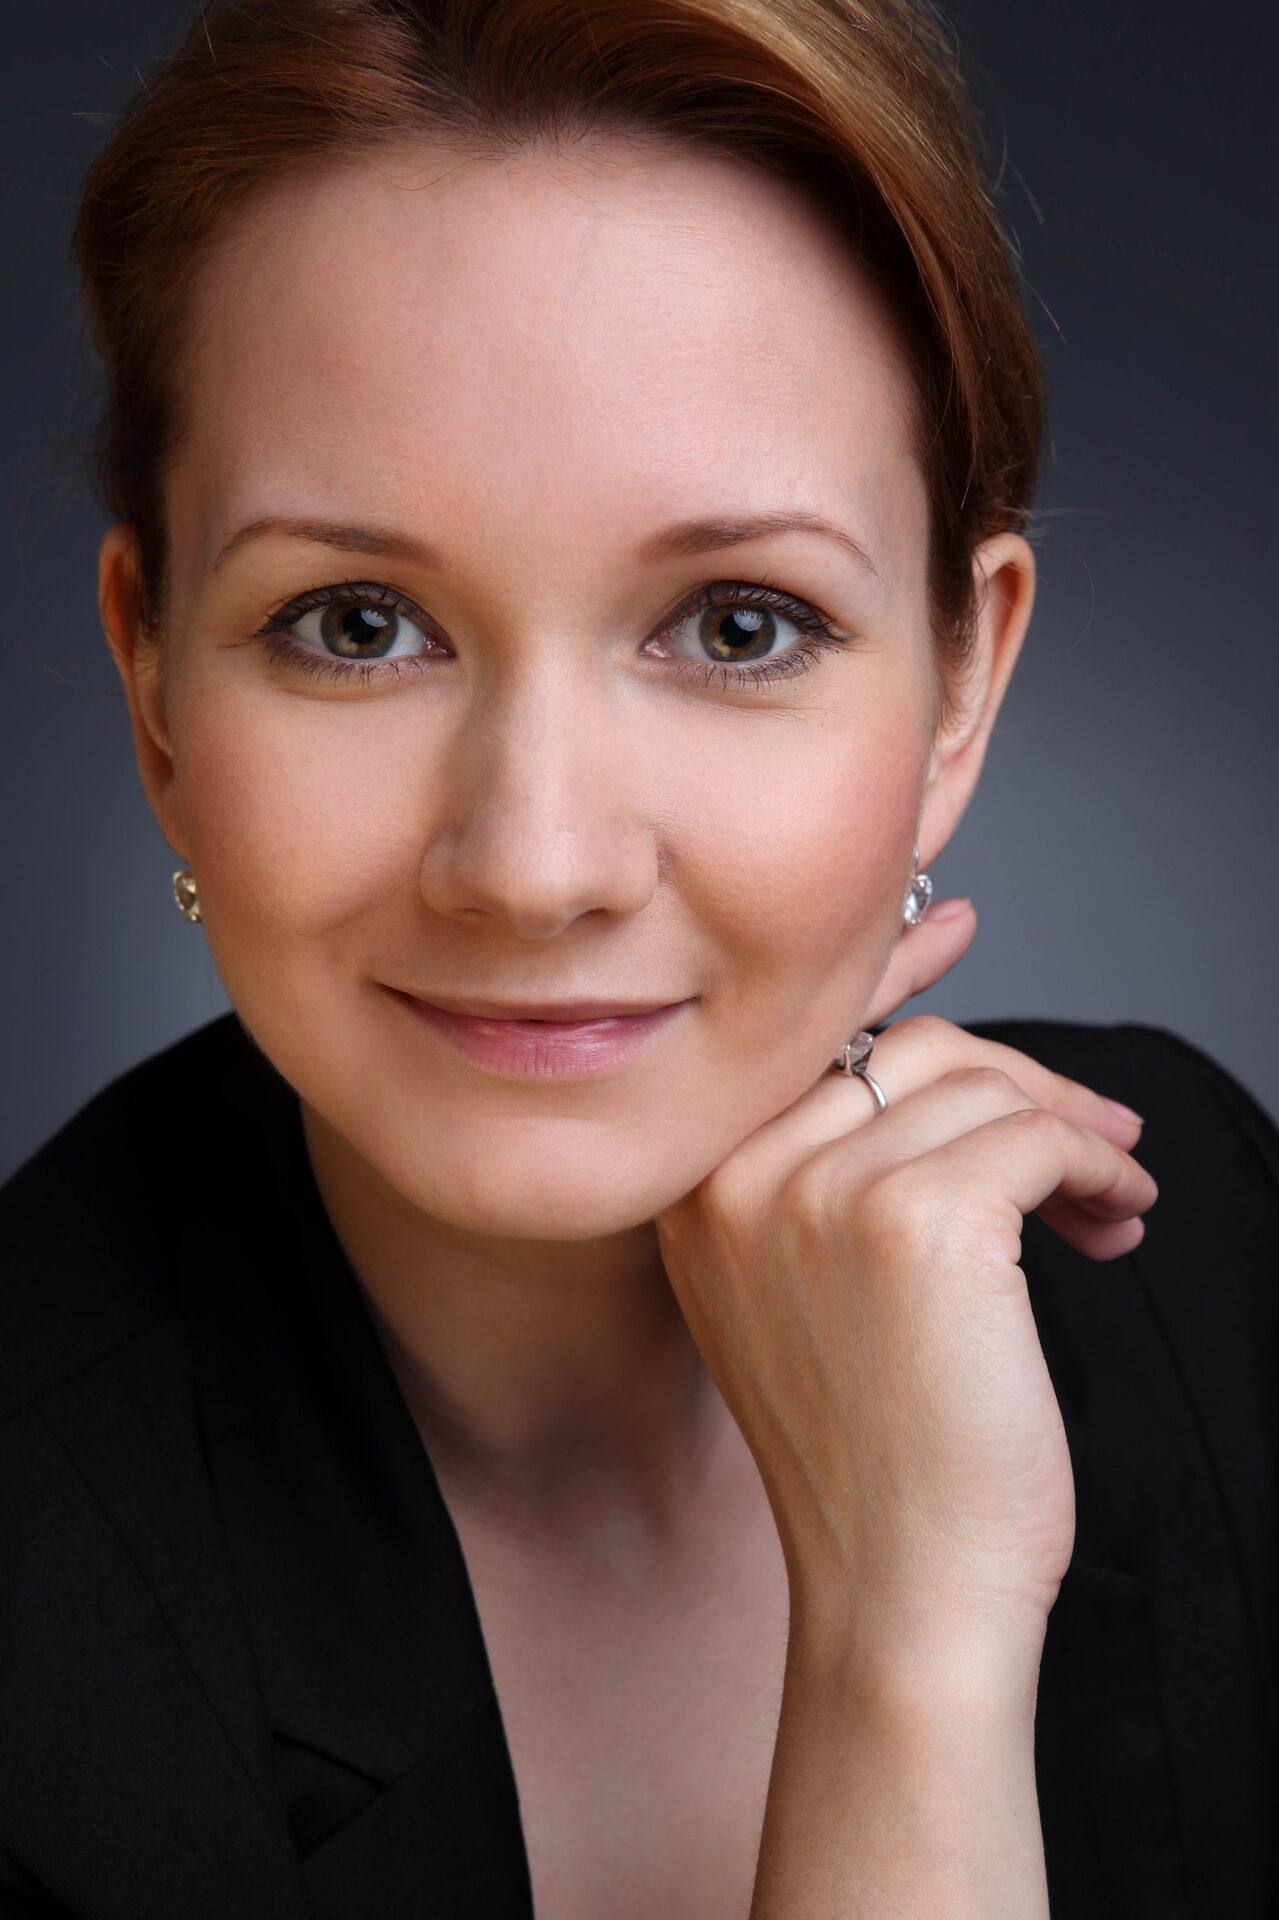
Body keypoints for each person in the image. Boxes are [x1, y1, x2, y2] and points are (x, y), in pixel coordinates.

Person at [2, 0, 1275, 1913]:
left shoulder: (1216, 1252)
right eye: (356, 624)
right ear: (156, 689)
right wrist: (903, 1653)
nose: (535, 867)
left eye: (740, 624)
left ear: (961, 687)